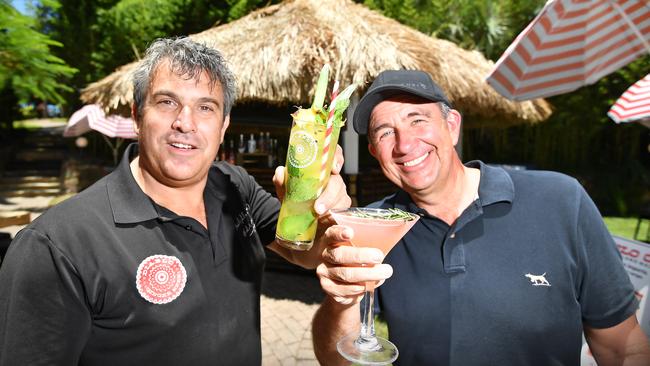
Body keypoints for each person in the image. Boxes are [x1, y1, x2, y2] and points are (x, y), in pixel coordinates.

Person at [0, 37, 349, 365]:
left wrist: (319, 209)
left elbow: (305, 251)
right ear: (137, 116)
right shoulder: (55, 247)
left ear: (224, 125)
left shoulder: (234, 186)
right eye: (167, 102)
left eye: (206, 107)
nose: (185, 123)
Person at [312, 70, 650, 365]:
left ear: (452, 126)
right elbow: (335, 360)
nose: (404, 144)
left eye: (418, 120)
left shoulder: (561, 201)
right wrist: (341, 301)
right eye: (385, 132)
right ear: (374, 152)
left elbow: (623, 349)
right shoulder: (372, 225)